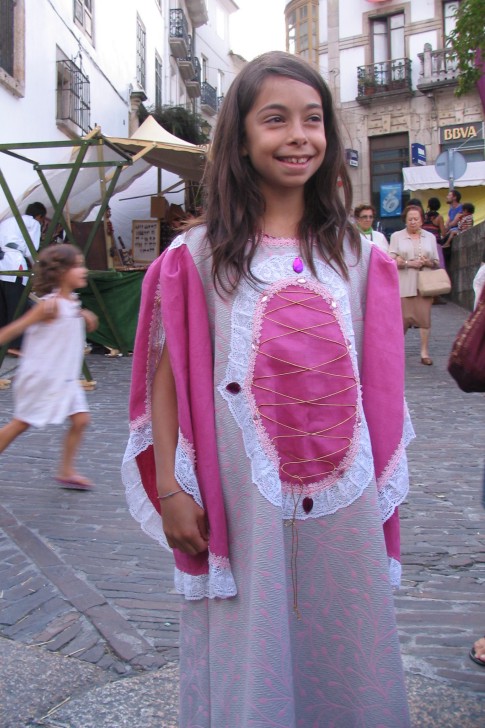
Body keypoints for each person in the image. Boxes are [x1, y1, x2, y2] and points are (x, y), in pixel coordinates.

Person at [123, 51, 412, 726]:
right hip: (238, 492)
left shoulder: (360, 256)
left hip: (343, 490)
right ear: (242, 140)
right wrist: (170, 487)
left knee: (344, 627)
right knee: (248, 636)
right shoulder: (193, 259)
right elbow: (164, 379)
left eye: (312, 120)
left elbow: (381, 385)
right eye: (275, 120)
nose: (298, 137)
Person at [0, 244, 98, 490]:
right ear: (60, 272)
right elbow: (13, 330)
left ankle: (66, 470)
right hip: (42, 378)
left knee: (81, 420)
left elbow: (82, 328)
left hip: (64, 379)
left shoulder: (72, 304)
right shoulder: (48, 306)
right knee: (21, 423)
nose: (83, 270)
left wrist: (86, 318)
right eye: (77, 266)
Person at [389, 205, 440, 365]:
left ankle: (424, 352)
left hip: (424, 283)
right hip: (404, 282)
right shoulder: (397, 236)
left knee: (424, 319)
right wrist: (406, 263)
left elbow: (436, 261)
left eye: (416, 219)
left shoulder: (430, 237)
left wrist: (428, 262)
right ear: (405, 220)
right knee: (402, 320)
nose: (413, 222)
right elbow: (390, 259)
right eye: (410, 219)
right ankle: (397, 351)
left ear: (422, 220)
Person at [0, 202, 47, 354]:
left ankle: (3, 341)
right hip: (15, 262)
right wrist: (37, 267)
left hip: (2, 262)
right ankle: (15, 344)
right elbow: (31, 249)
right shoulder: (33, 223)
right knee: (16, 304)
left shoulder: (8, 220)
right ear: (39, 216)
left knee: (3, 305)